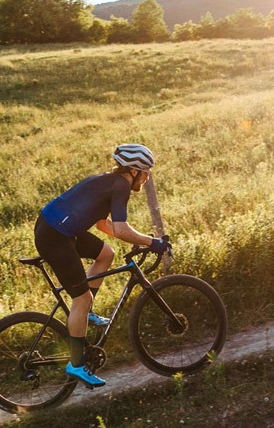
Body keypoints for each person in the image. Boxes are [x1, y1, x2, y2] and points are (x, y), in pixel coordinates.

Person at [34, 143, 171, 387]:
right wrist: (152, 242)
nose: (148, 177)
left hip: (58, 229)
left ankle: (87, 313)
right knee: (81, 299)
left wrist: (141, 240)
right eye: (146, 172)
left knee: (106, 254)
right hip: (55, 236)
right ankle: (76, 364)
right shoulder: (120, 186)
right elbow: (120, 228)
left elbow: (104, 226)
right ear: (135, 171)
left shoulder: (110, 182)